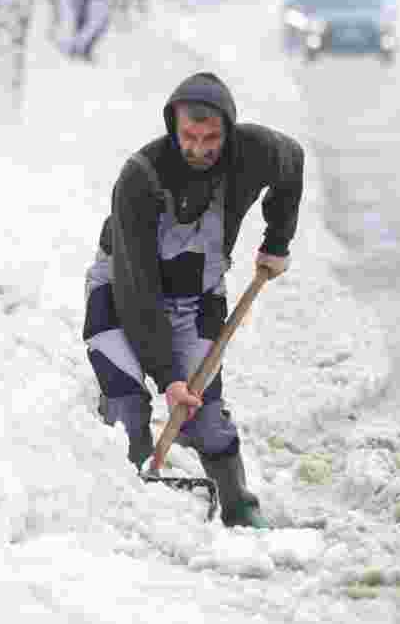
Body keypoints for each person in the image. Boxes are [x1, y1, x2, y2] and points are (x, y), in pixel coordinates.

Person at [83, 72, 304, 528]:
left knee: (203, 416)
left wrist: (277, 241)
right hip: (122, 290)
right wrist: (167, 377)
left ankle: (239, 503)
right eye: (189, 136)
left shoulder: (256, 152)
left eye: (211, 138)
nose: (200, 148)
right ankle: (135, 513)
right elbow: (135, 286)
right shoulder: (140, 177)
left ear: (228, 128)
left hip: (197, 298)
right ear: (173, 127)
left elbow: (294, 161)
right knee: (127, 405)